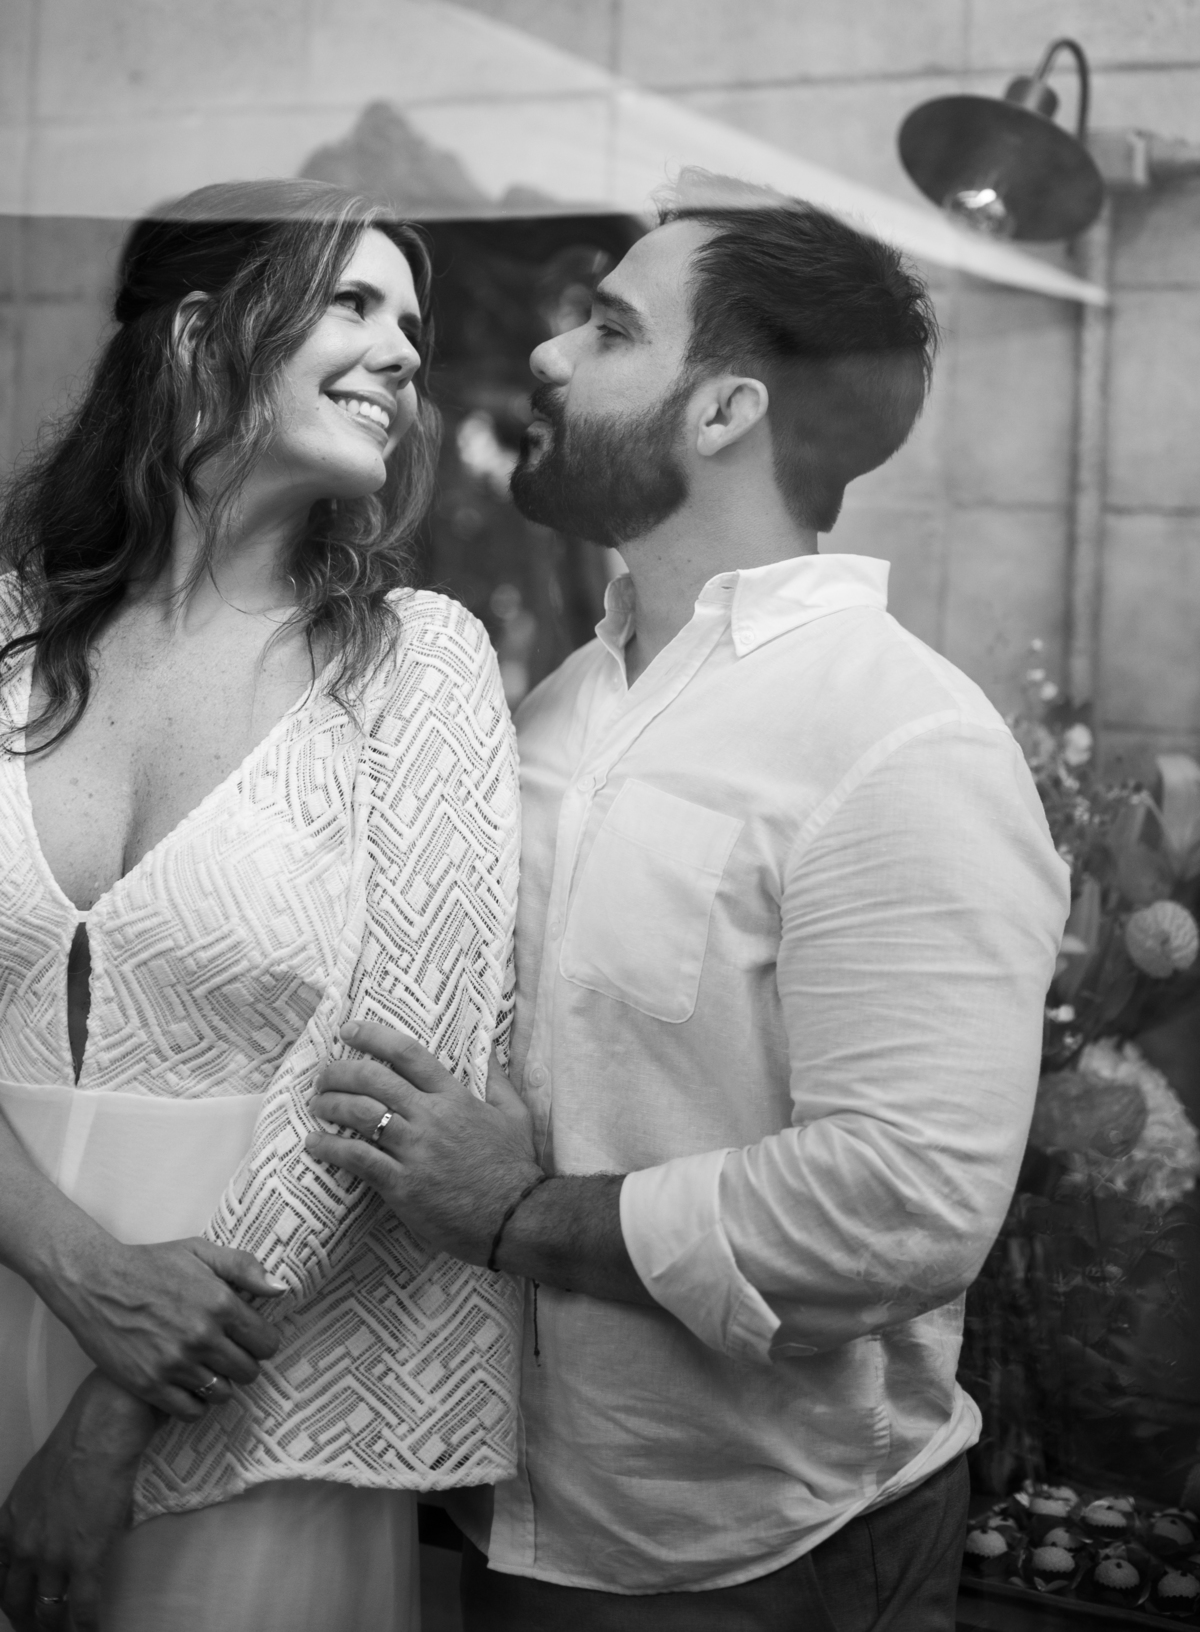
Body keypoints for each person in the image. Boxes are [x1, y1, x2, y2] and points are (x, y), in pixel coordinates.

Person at [307, 172, 1072, 1631]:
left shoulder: (903, 741)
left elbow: (902, 1205)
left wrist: (519, 1211)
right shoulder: (563, 702)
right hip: (495, 1510)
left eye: (607, 329)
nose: (548, 354)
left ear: (724, 412)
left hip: (763, 1554)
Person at [0, 179, 521, 1632]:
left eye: (410, 324)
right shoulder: (6, 635)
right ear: (195, 335)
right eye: (353, 302)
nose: (402, 352)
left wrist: (113, 1419)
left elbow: (394, 1084)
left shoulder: (415, 667)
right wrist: (73, 1263)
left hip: (242, 1384)